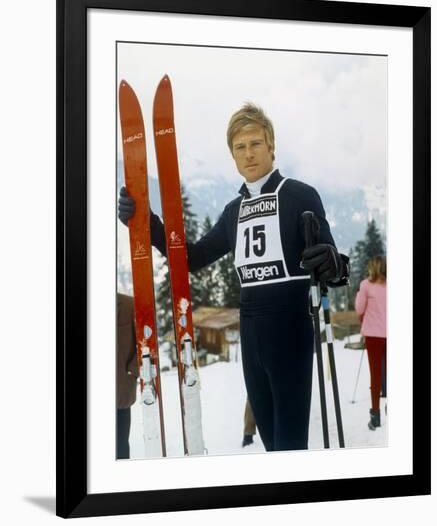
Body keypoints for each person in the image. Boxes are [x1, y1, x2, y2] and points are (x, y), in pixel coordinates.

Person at [119, 103, 349, 451]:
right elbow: (192, 258)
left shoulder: (299, 195)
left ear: (271, 146)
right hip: (251, 333)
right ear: (232, 155)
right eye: (240, 147)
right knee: (271, 442)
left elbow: (333, 268)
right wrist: (146, 223)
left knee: (290, 444)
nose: (249, 154)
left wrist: (334, 264)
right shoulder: (234, 211)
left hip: (290, 329)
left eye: (256, 143)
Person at [355, 255, 387, 430]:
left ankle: (375, 416)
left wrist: (364, 319)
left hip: (374, 335)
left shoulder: (366, 285)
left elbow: (360, 308)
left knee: (376, 375)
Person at [116, 292, 139, 459]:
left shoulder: (129, 304)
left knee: (121, 445)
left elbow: (144, 342)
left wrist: (132, 371)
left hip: (121, 389)